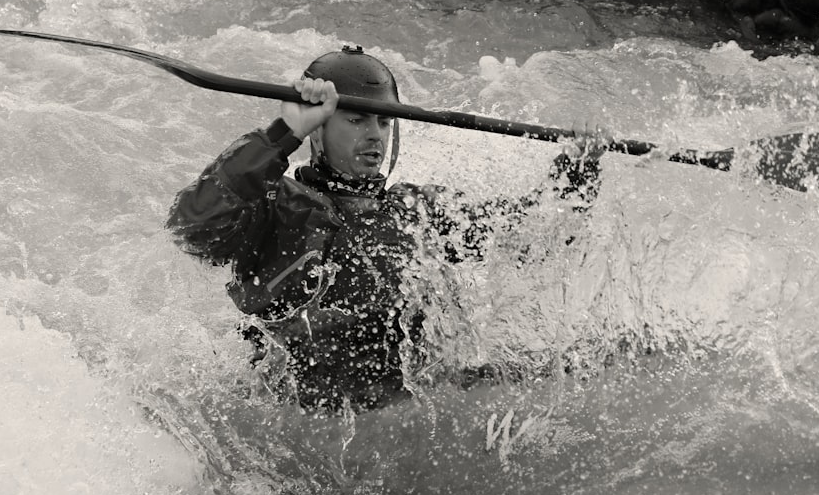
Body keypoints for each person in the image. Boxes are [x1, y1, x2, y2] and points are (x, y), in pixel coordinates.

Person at [167, 45, 610, 412]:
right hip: (295, 406)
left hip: (396, 399)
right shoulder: (274, 205)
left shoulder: (417, 211)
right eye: (357, 120)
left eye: (383, 121)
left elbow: (533, 236)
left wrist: (577, 170)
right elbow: (193, 225)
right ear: (318, 132)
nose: (375, 135)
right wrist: (286, 131)